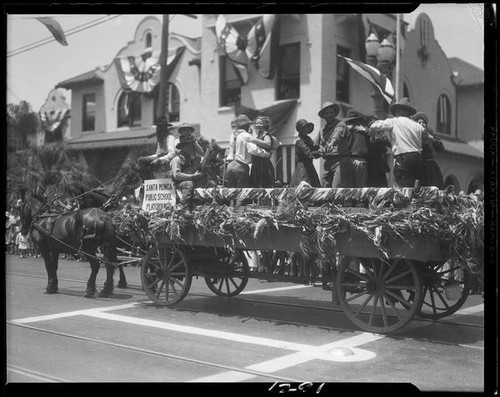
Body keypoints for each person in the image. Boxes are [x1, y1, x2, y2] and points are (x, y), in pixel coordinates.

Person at [369, 97, 430, 188]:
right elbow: (426, 139)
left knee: (401, 188)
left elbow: (374, 126)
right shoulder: (418, 126)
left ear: (399, 111)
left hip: (403, 159)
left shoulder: (394, 121)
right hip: (417, 159)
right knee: (415, 188)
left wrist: (372, 135)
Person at [317, 102, 354, 188]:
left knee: (336, 189)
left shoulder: (340, 124)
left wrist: (332, 143)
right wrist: (319, 150)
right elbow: (315, 145)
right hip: (328, 163)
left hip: (340, 161)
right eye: (326, 113)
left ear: (335, 114)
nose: (329, 115)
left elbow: (338, 134)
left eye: (331, 112)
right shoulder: (322, 131)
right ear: (323, 115)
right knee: (323, 186)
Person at [225, 115, 255, 207]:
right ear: (246, 126)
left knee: (232, 191)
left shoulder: (233, 135)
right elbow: (253, 150)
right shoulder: (246, 135)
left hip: (230, 165)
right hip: (241, 165)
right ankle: (238, 211)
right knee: (241, 191)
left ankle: (230, 210)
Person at [412, 112, 445, 189]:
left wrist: (432, 139)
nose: (421, 124)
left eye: (423, 123)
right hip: (418, 167)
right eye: (419, 122)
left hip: (430, 168)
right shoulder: (412, 136)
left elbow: (440, 148)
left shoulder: (431, 135)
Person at [170, 144, 204, 212]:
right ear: (183, 148)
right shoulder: (177, 159)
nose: (191, 148)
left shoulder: (192, 160)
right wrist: (192, 176)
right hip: (177, 184)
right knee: (189, 184)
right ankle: (185, 208)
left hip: (189, 181)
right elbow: (177, 175)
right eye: (189, 146)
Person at [290, 119, 321, 187]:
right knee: (303, 187)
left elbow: (314, 148)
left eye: (307, 127)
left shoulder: (309, 139)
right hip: (302, 168)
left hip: (310, 167)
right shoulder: (299, 141)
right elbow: (308, 153)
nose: (306, 129)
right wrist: (321, 152)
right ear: (300, 130)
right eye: (304, 128)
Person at [345, 109, 371, 188]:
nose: (353, 124)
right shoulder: (345, 131)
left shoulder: (363, 131)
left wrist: (364, 130)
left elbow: (375, 135)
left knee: (360, 188)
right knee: (348, 189)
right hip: (348, 160)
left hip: (360, 160)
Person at [249, 115, 276, 188]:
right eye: (256, 123)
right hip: (256, 165)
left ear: (265, 125)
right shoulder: (258, 135)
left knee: (263, 185)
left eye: (260, 123)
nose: (257, 125)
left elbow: (268, 143)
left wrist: (255, 140)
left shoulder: (266, 135)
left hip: (263, 165)